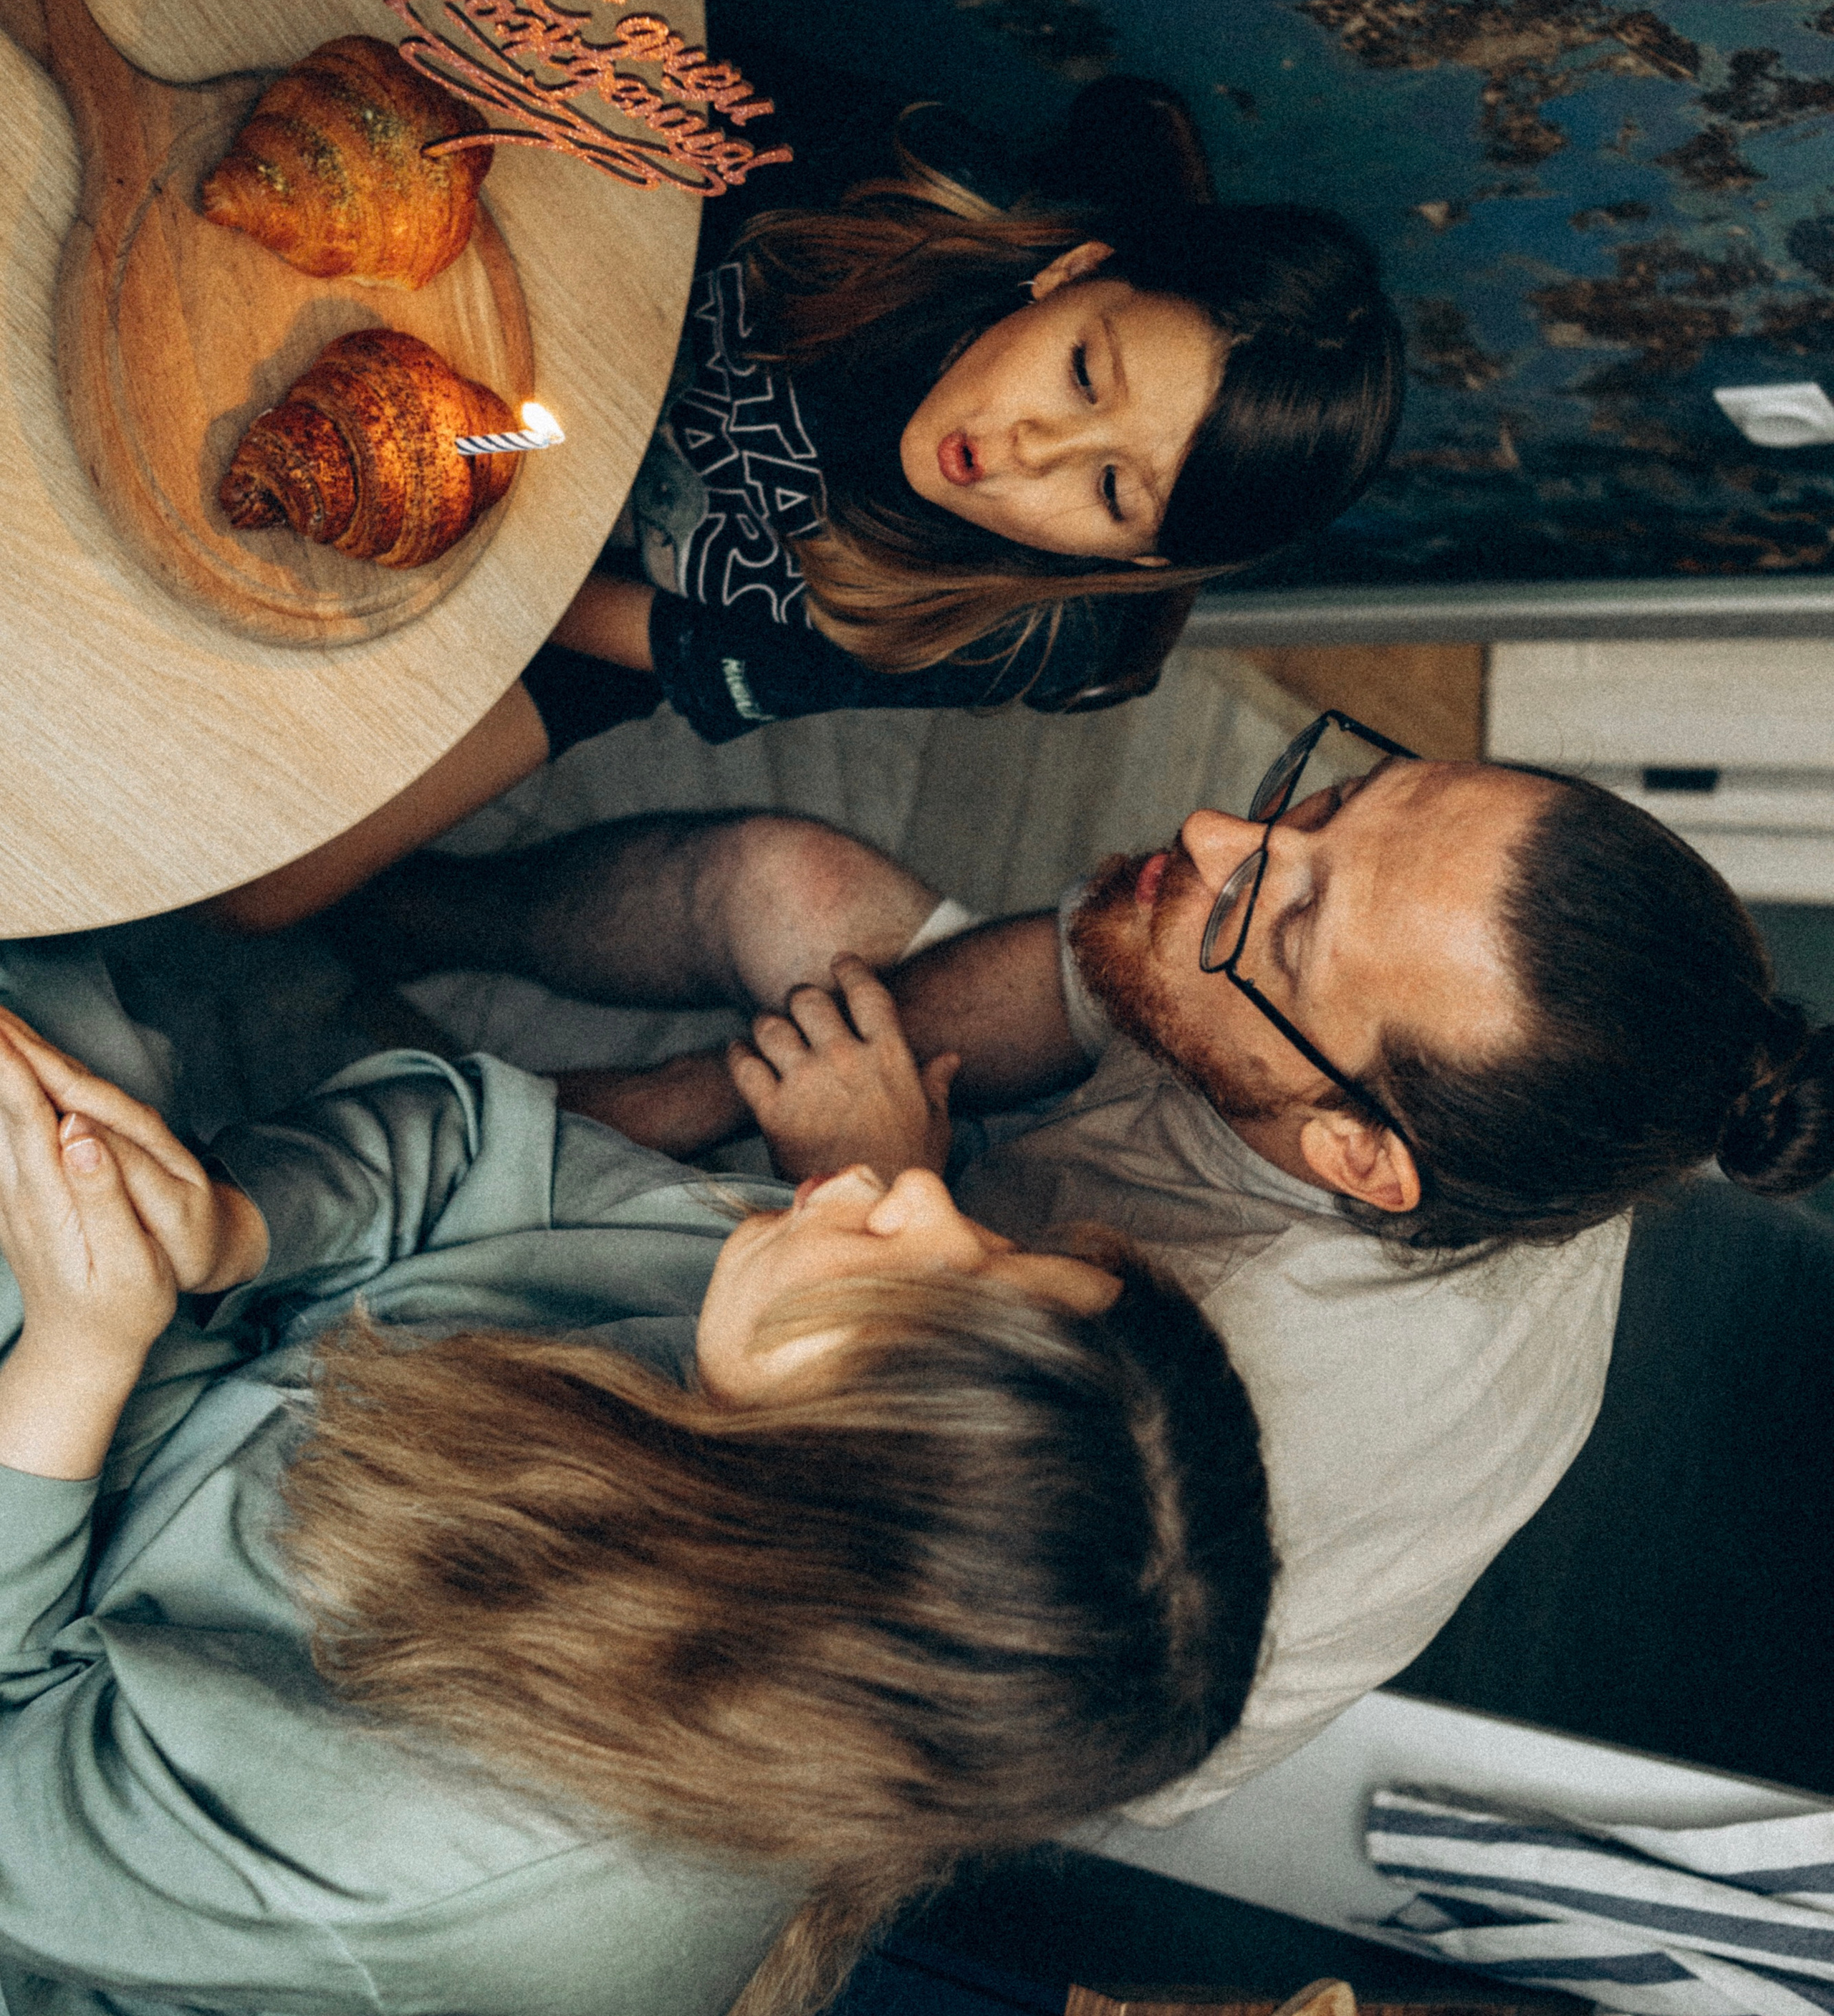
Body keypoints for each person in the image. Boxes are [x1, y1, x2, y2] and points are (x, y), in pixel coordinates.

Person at [324, 712, 1834, 1813]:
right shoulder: (1534, 1070)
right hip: (1020, 1243)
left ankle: (334, 1145)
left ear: (1359, 1158)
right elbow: (1071, 966)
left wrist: (857, 1171)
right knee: (788, 887)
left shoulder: (1243, 1371)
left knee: (626, 1239)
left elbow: (921, 1482)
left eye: (1280, 911)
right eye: (1328, 803)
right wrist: (721, 1091)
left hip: (943, 1562)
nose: (1217, 843)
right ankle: (385, 896)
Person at [0, 946, 1271, 2016]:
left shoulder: (459, 1849)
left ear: (827, 1541)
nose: (921, 1192)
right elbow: (473, 1146)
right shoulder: (774, 1341)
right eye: (997, 1245)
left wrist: (80, 1347)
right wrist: (234, 1234)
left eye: (937, 1299)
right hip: (169, 1342)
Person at [213, 148, 1403, 932]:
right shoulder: (872, 220)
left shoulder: (1007, 637)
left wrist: (476, 562)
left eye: (1107, 491)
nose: (1031, 447)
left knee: (258, 891)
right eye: (1086, 369)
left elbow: (677, 644)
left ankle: (404, 916)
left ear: (1134, 562)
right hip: (553, 367)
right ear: (1074, 270)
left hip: (609, 616)